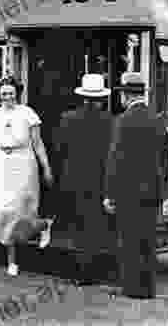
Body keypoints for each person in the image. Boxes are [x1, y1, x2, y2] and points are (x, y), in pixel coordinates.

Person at [103, 72, 168, 299]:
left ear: (127, 97)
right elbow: (165, 158)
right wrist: (161, 187)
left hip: (128, 193)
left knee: (129, 241)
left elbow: (115, 160)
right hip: (152, 192)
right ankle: (147, 288)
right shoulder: (157, 119)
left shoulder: (122, 121)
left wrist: (110, 194)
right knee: (148, 241)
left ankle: (132, 288)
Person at [0, 78, 55, 277]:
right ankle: (12, 262)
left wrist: (45, 168)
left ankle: (42, 226)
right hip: (2, 165)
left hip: (25, 162)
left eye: (11, 93)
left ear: (18, 93)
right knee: (5, 211)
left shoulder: (28, 114)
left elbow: (38, 144)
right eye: (4, 93)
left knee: (23, 210)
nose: (8, 97)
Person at [53, 73, 113, 286]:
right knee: (96, 227)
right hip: (99, 181)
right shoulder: (110, 121)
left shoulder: (67, 119)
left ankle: (81, 273)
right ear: (101, 98)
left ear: (83, 97)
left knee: (78, 228)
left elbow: (59, 150)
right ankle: (97, 271)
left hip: (74, 181)